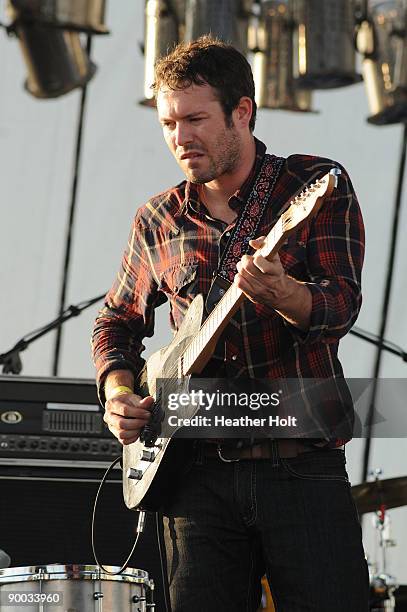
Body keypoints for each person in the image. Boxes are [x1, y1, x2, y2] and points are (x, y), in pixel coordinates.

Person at [92, 36, 369, 612]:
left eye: (195, 118)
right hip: (193, 475)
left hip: (301, 461)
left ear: (242, 111)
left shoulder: (312, 185)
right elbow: (116, 321)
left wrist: (283, 293)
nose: (180, 137)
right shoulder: (157, 218)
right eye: (168, 122)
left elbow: (340, 307)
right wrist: (118, 389)